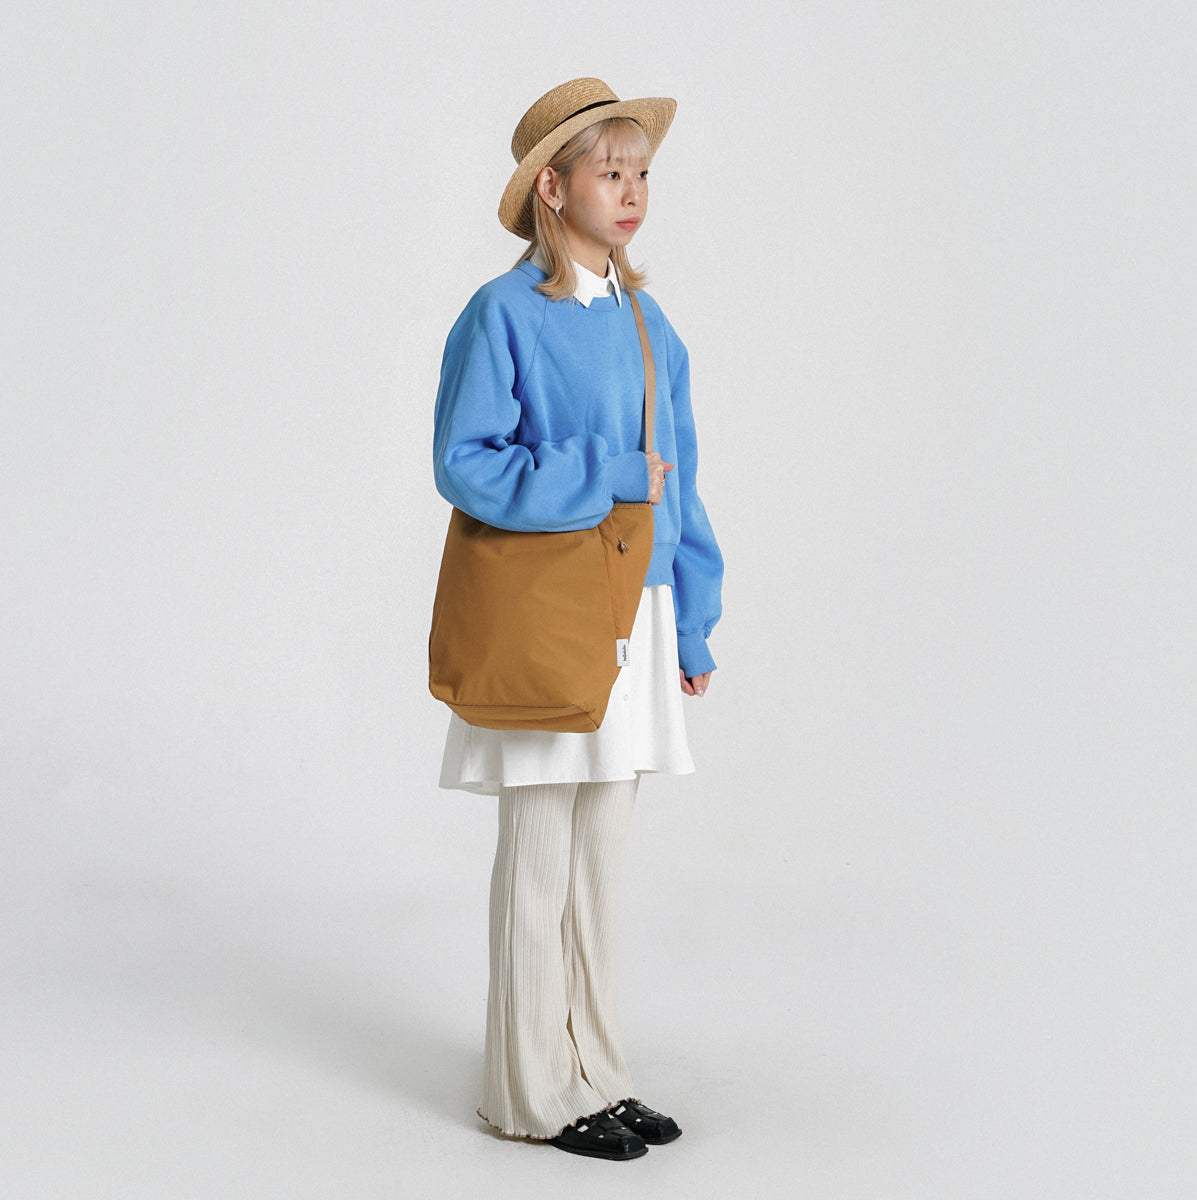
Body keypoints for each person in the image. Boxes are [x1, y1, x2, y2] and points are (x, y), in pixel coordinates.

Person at [431, 78, 723, 1161]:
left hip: (637, 612)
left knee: (600, 852)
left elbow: (682, 482)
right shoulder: (503, 313)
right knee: (541, 851)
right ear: (553, 189)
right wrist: (604, 474)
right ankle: (527, 1087)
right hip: (550, 616)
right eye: (611, 172)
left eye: (642, 172)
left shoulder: (650, 324)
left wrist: (694, 617)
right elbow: (465, 463)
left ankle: (597, 1070)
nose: (634, 190)